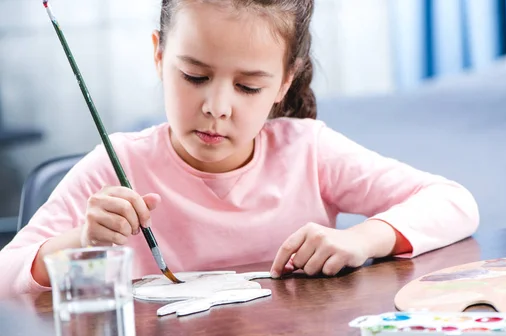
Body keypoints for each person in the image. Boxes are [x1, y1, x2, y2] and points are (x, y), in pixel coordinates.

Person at [0, 0, 479, 297]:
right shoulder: (115, 166)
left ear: (283, 84)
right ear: (159, 56)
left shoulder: (308, 151)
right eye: (194, 76)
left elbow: (455, 202)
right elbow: (7, 276)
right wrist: (81, 242)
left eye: (248, 86)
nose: (216, 107)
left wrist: (362, 239)